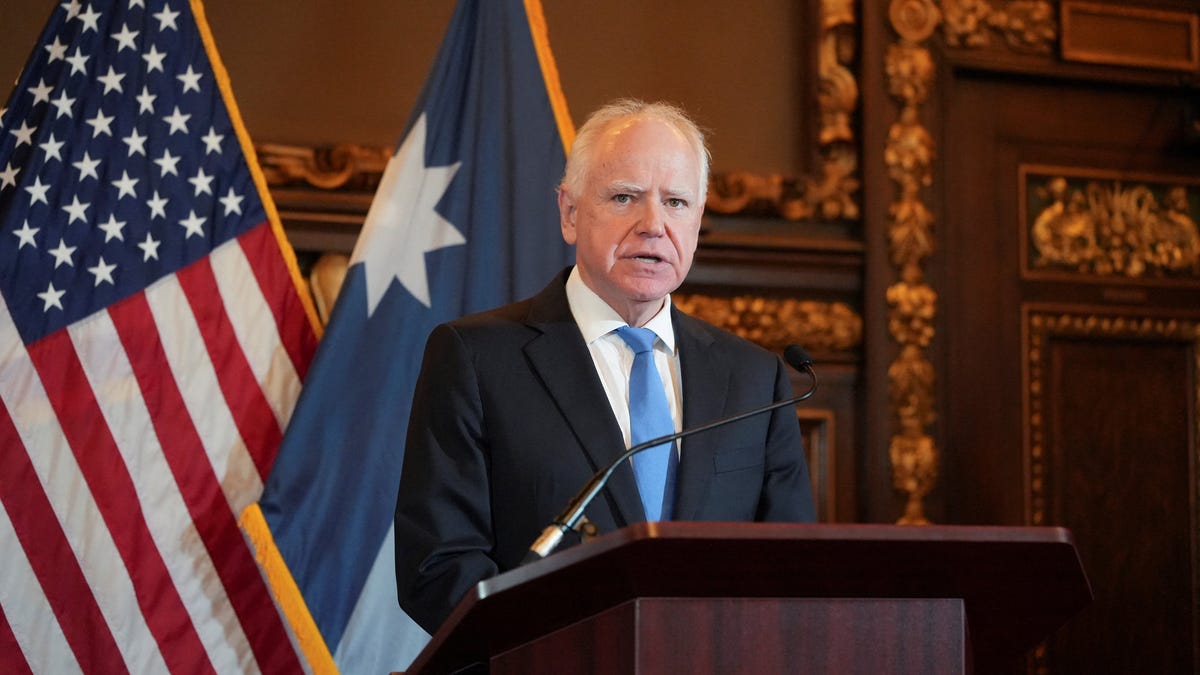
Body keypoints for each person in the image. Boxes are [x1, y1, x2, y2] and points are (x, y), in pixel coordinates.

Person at [393, 99, 815, 635]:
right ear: (569, 212)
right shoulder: (478, 357)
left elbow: (791, 573)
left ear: (699, 218)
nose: (654, 225)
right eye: (625, 197)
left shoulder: (757, 379)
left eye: (677, 202)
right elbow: (439, 565)